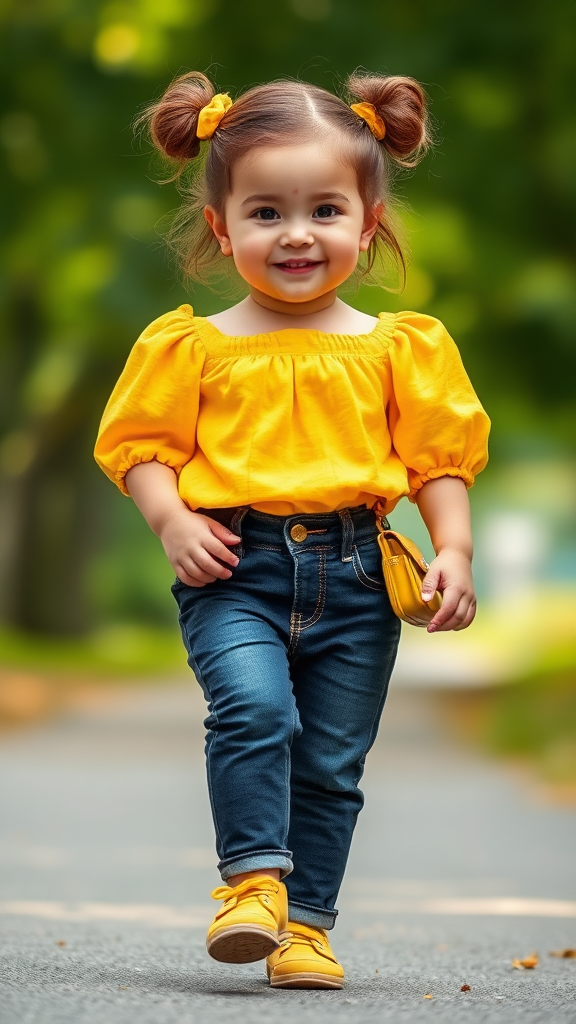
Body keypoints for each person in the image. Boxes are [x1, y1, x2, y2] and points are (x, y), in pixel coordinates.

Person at [94, 70, 490, 989]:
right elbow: (140, 448)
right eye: (267, 212)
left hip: (358, 575)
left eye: (324, 210)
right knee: (254, 712)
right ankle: (253, 886)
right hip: (235, 566)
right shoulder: (192, 346)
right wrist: (170, 521)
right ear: (225, 226)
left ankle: (306, 929)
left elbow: (439, 462)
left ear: (369, 216)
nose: (298, 234)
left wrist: (456, 550)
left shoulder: (402, 348)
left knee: (331, 762)